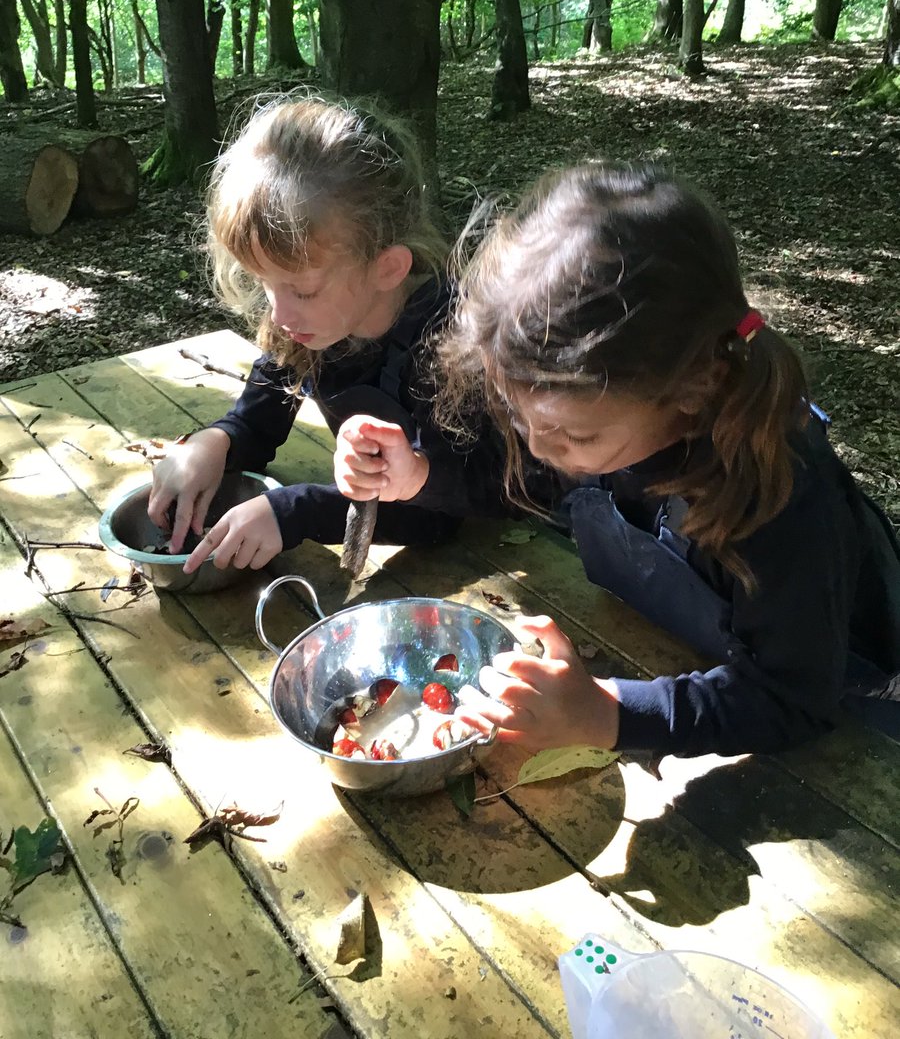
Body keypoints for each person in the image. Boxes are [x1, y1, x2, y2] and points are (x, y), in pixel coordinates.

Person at [346, 161, 900, 756]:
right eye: (516, 413)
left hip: (856, 727)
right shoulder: (598, 414)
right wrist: (417, 475)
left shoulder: (781, 496)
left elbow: (790, 697)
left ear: (690, 391)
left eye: (572, 438)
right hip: (692, 664)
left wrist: (607, 715)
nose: (537, 446)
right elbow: (523, 484)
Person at [148, 95, 503, 574]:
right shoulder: (314, 325)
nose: (278, 313)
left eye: (302, 291)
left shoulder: (449, 345)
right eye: (264, 284)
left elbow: (438, 511)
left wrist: (296, 512)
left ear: (388, 268)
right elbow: (258, 421)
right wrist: (215, 444)